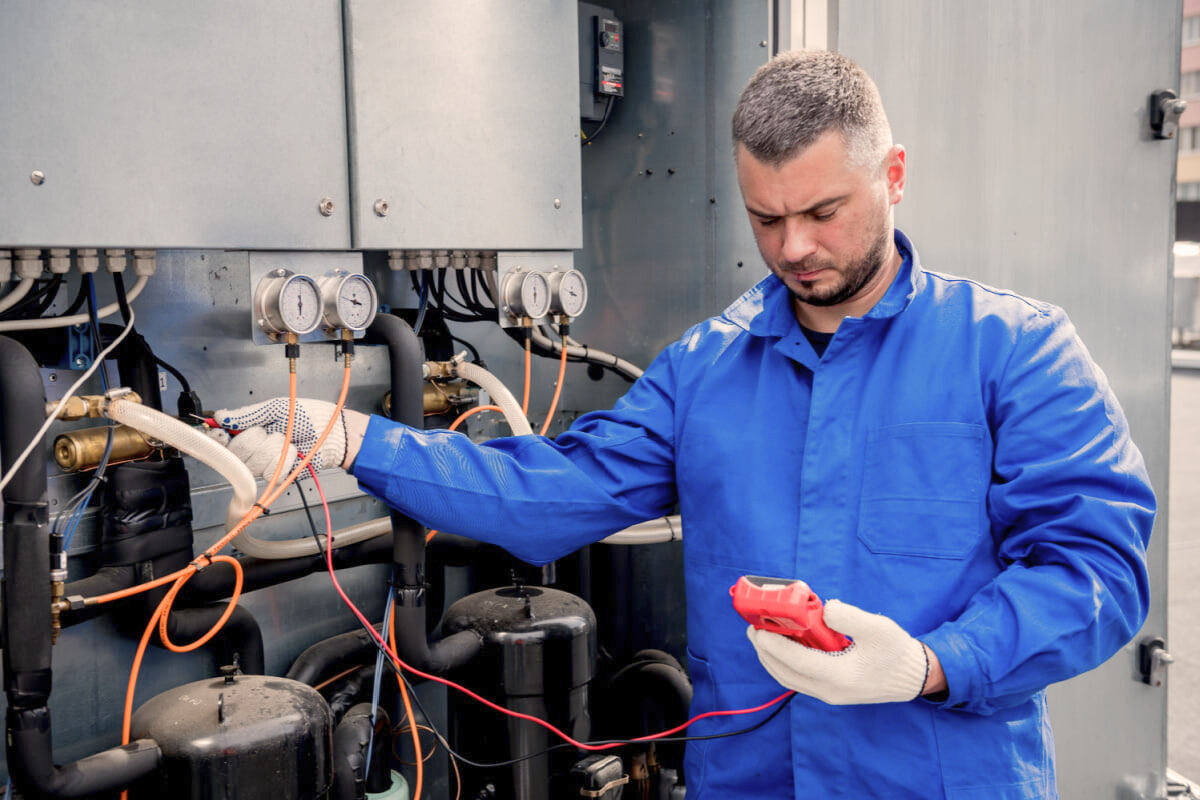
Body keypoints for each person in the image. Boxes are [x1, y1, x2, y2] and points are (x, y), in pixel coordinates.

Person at [213, 50, 1154, 799]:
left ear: (894, 175)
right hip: (747, 782)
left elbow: (1097, 572)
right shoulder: (710, 365)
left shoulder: (1014, 351)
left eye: (823, 212)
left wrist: (931, 666)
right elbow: (557, 491)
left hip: (942, 780)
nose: (793, 247)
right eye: (765, 217)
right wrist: (349, 439)